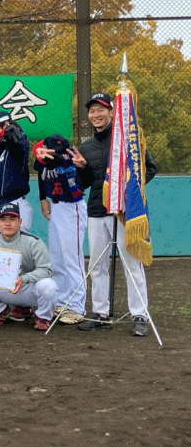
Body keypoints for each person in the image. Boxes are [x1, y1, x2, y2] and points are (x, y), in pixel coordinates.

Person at [71, 92, 157, 336]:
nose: (96, 115)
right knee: (98, 265)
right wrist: (82, 168)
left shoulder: (129, 141)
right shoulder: (86, 147)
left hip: (124, 213)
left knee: (132, 264)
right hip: (97, 210)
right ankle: (100, 313)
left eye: (101, 110)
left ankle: (139, 315)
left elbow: (149, 168)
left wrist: (130, 193)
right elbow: (84, 183)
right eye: (92, 111)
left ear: (111, 112)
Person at [0, 202, 58, 332]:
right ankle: (1, 311)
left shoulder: (34, 242)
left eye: (12, 219)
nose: (7, 223)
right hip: (3, 288)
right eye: (3, 219)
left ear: (20, 222)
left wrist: (24, 278)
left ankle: (43, 317)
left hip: (28, 288)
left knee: (49, 286)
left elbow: (46, 269)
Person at [33, 134, 87, 324]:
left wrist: (46, 153)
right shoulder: (44, 160)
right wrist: (42, 198)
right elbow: (40, 171)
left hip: (72, 207)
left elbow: (57, 159)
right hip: (55, 207)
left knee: (73, 260)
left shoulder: (68, 156)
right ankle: (63, 302)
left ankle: (77, 307)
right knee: (57, 258)